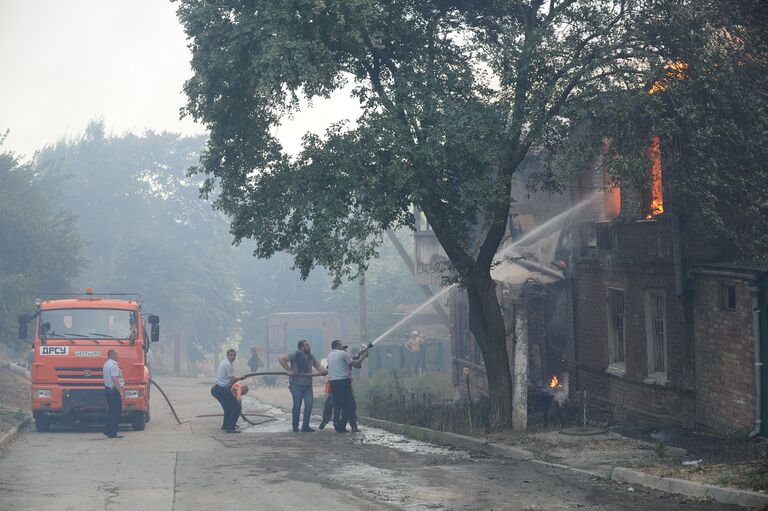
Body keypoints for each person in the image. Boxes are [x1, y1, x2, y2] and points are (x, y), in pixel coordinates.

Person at [279, 340, 327, 432]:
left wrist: (324, 370)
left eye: (308, 345)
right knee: (297, 405)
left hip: (308, 385)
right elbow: (281, 359)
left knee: (309, 404)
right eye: (307, 345)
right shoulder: (294, 355)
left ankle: (305, 426)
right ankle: (295, 426)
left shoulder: (311, 356)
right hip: (296, 384)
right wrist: (289, 370)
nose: (309, 347)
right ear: (301, 347)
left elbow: (317, 365)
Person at [326, 339, 368, 433]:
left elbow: (350, 362)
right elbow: (357, 364)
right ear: (337, 345)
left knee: (338, 404)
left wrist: (358, 356)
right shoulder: (342, 354)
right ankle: (342, 425)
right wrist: (363, 356)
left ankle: (337, 424)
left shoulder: (330, 354)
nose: (343, 347)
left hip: (333, 382)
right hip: (343, 382)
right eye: (341, 345)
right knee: (350, 405)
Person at [319, 345, 360, 432]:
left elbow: (356, 364)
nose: (344, 352)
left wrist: (358, 358)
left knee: (351, 406)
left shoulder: (347, 359)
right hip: (336, 385)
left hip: (346, 384)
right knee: (330, 404)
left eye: (345, 350)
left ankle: (353, 425)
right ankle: (325, 421)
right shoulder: (337, 359)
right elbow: (328, 368)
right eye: (343, 350)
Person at [211, 349, 242, 433]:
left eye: (234, 355)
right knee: (236, 407)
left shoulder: (225, 362)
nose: (233, 357)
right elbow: (231, 380)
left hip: (217, 389)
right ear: (227, 355)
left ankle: (226, 426)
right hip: (221, 390)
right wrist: (238, 379)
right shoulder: (228, 364)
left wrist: (238, 378)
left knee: (228, 408)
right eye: (231, 355)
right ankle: (230, 428)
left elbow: (230, 379)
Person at [103, 349, 124, 438]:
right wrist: (121, 391)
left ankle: (108, 430)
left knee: (111, 411)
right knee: (116, 412)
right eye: (117, 354)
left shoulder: (106, 364)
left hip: (108, 389)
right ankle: (113, 433)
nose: (118, 356)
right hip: (114, 390)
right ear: (113, 355)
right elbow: (114, 378)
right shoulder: (114, 366)